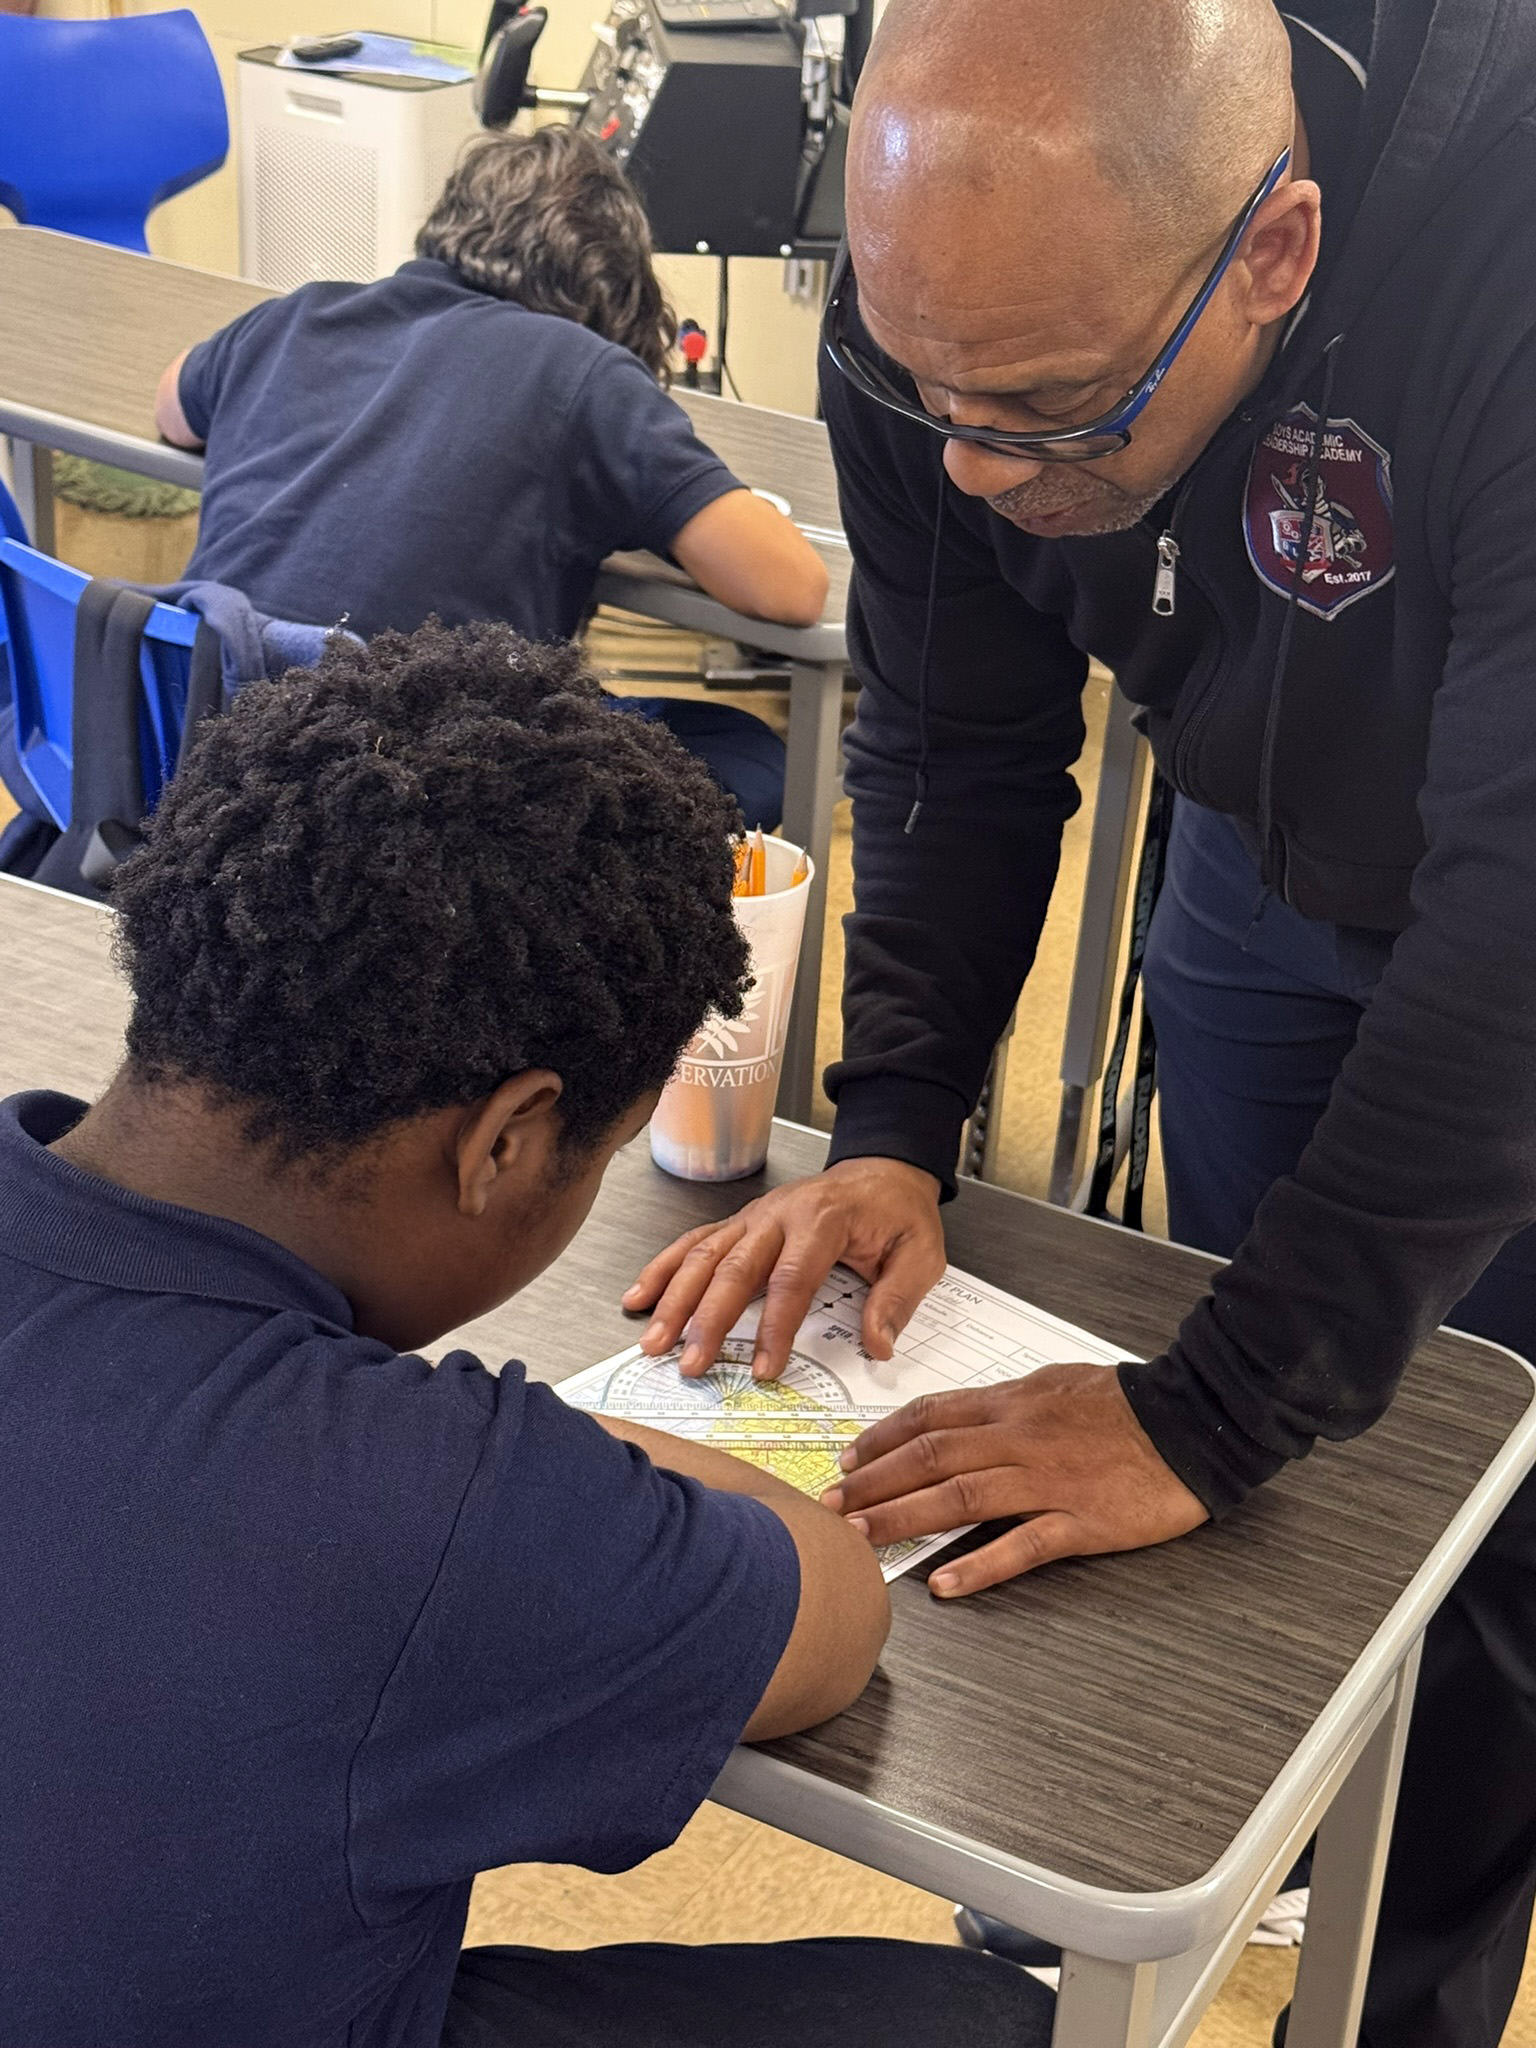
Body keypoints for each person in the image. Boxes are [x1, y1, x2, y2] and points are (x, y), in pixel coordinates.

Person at [624, 0, 1536, 2041]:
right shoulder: (955, 288)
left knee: (1476, 1505)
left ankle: (1405, 1992)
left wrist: (1217, 1409)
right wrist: (894, 1121)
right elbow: (952, 724)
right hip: (1254, 854)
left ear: (1274, 253)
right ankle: (1199, 1848)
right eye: (917, 383)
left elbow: (1516, 936)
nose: (964, 463)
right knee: (1216, 1428)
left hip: (1505, 887)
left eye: (1042, 412)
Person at [0, 619, 1052, 2048]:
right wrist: (542, 1450)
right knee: (978, 2019)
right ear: (507, 1139)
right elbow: (833, 1621)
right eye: (601, 1155)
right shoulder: (425, 1504)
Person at [152, 126, 828, 828]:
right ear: (608, 279)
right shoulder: (582, 372)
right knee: (747, 751)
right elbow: (792, 588)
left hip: (208, 763)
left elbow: (173, 406)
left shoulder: (298, 312)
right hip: (416, 798)